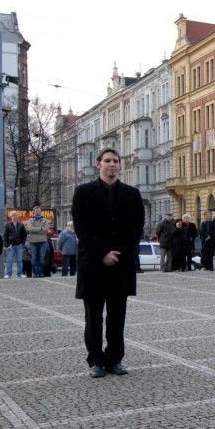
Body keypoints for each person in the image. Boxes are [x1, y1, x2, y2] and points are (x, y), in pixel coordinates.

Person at [72, 148, 144, 378]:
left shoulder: (132, 194)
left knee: (117, 316)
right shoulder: (83, 193)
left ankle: (115, 359)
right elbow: (82, 228)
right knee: (93, 316)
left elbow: (136, 227)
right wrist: (103, 253)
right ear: (98, 164)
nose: (111, 164)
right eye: (107, 161)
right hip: (93, 264)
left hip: (121, 265)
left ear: (119, 165)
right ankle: (95, 360)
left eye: (115, 161)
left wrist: (119, 252)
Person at [26, 206, 49, 278]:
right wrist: (40, 228)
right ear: (34, 212)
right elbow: (30, 229)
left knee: (41, 258)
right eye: (36, 211)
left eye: (39, 211)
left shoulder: (45, 220)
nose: (38, 212)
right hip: (33, 241)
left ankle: (40, 272)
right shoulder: (30, 220)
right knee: (34, 258)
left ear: (41, 211)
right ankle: (35, 273)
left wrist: (35, 229)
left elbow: (46, 230)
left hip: (43, 241)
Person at [2, 211, 27, 279]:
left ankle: (20, 273)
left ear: (17, 217)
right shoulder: (7, 225)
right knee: (9, 260)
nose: (14, 217)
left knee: (19, 260)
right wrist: (6, 245)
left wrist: (22, 243)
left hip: (19, 245)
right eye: (13, 216)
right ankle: (8, 274)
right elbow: (4, 236)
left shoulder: (21, 225)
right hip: (10, 245)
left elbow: (24, 235)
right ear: (11, 217)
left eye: (15, 216)